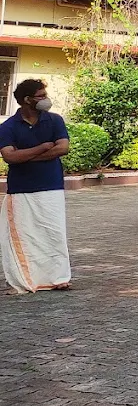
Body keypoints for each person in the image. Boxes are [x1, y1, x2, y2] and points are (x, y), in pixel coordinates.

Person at [0, 79, 71, 293]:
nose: (45, 99)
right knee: (24, 235)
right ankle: (24, 279)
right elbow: (9, 156)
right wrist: (42, 147)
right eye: (40, 96)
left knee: (54, 233)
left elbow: (63, 148)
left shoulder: (55, 120)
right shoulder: (8, 127)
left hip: (51, 186)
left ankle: (58, 278)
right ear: (26, 100)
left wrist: (26, 156)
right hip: (21, 189)